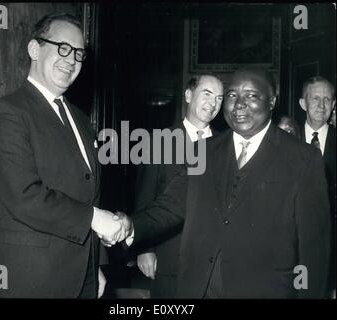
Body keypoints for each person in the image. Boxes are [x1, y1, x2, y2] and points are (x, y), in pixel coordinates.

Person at [118, 67, 331, 298]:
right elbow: (170, 206)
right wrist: (130, 226)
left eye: (251, 95)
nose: (239, 104)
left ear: (271, 102)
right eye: (231, 95)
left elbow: (314, 253)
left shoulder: (303, 159)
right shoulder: (205, 151)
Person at [0, 13, 123, 298]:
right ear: (34, 49)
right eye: (62, 48)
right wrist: (94, 219)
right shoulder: (7, 113)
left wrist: (94, 264)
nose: (71, 60)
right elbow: (24, 196)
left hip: (81, 276)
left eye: (79, 54)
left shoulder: (81, 120)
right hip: (28, 280)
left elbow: (87, 192)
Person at [133, 74, 223, 298]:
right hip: (168, 256)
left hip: (212, 260)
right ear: (189, 95)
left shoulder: (225, 146)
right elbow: (145, 199)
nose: (212, 104)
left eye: (219, 99)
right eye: (207, 94)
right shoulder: (159, 142)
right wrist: (144, 249)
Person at [299, 76, 336, 297]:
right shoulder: (283, 140)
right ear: (303, 103)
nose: (321, 106)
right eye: (315, 99)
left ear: (334, 105)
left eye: (327, 99)